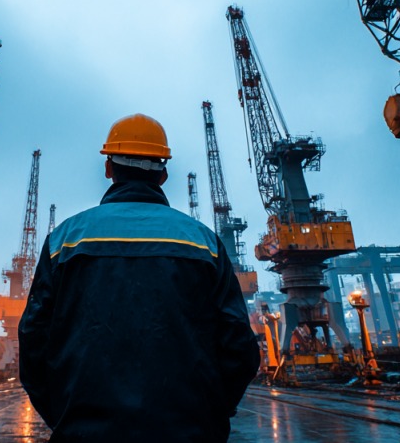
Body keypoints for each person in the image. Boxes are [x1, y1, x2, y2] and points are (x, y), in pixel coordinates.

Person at [19, 114, 261, 442]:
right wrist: (210, 414)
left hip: (83, 430)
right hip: (188, 431)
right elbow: (239, 347)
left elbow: (33, 341)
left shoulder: (65, 240)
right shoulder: (203, 243)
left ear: (108, 169)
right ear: (163, 174)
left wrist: (64, 415)